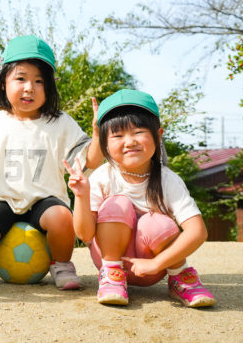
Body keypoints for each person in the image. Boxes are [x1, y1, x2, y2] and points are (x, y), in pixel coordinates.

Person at [0, 35, 103, 290]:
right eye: (21, 78)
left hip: (45, 198)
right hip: (3, 199)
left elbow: (88, 161)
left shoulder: (60, 123)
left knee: (62, 218)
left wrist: (98, 136)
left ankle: (62, 264)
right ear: (3, 83)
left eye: (39, 81)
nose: (29, 87)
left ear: (49, 89)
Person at [65, 89, 217, 307]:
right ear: (105, 144)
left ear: (158, 134)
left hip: (154, 267)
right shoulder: (102, 177)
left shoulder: (167, 179)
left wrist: (157, 264)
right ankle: (112, 275)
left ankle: (180, 277)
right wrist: (81, 195)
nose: (129, 141)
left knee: (155, 222)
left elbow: (197, 231)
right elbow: (84, 233)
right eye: (117, 135)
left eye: (138, 132)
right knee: (118, 204)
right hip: (111, 261)